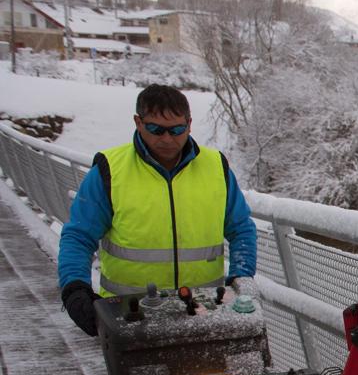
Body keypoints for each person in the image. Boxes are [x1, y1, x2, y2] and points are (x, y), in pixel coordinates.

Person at [57, 84, 257, 336]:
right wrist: (75, 288)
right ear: (138, 123)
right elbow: (79, 236)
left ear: (189, 124)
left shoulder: (216, 167)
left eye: (176, 130)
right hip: (129, 315)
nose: (166, 139)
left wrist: (241, 277)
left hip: (204, 311)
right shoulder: (110, 171)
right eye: (155, 129)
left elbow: (241, 229)